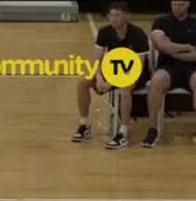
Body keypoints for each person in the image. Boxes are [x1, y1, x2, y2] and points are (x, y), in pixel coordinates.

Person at [70, 2, 149, 149]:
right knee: (83, 82)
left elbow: (138, 66)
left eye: (117, 15)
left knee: (125, 88)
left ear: (126, 16)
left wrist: (111, 83)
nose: (113, 19)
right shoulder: (105, 32)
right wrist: (99, 77)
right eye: (111, 15)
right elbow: (97, 60)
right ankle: (84, 124)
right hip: (111, 71)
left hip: (133, 73)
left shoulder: (138, 34)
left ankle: (123, 132)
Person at [143, 0, 196, 148]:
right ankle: (153, 129)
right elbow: (161, 45)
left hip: (191, 68)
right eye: (174, 4)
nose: (177, 8)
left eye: (181, 4)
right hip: (168, 67)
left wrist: (172, 49)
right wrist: (187, 47)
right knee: (157, 81)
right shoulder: (161, 22)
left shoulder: (194, 24)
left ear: (188, 5)